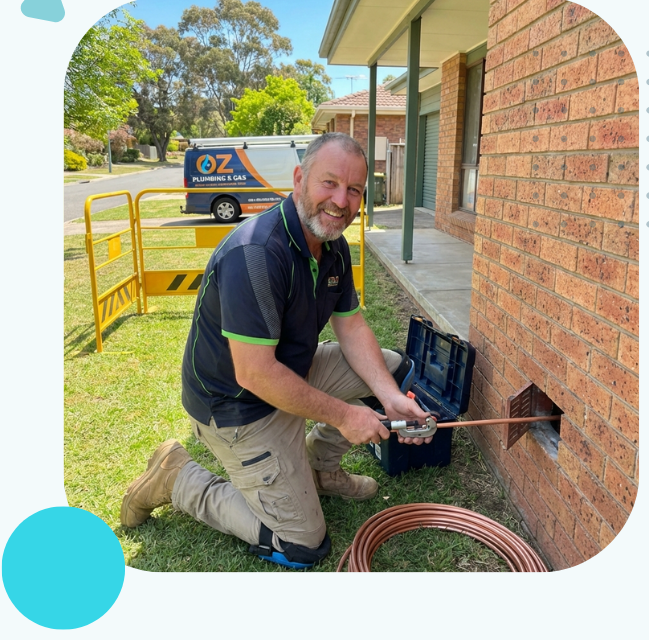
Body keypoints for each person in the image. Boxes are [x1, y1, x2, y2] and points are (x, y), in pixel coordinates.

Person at [118, 132, 431, 568]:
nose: (341, 201)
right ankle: (177, 478)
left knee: (391, 371)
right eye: (329, 183)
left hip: (289, 373)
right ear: (299, 179)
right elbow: (255, 374)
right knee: (303, 546)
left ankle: (320, 469)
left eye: (355, 189)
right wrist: (345, 416)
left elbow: (352, 325)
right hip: (237, 406)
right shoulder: (257, 252)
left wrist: (390, 398)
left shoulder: (333, 247)